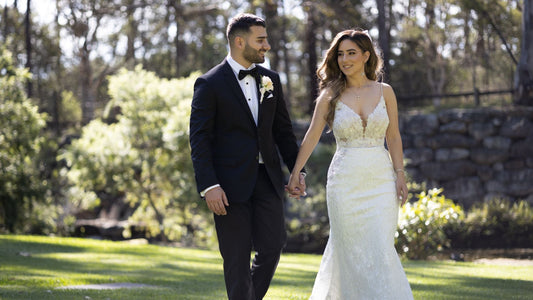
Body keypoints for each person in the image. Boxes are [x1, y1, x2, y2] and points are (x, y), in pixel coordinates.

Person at [287, 29, 413, 299]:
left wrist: (400, 174)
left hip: (381, 180)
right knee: (348, 248)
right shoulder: (330, 95)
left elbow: (393, 135)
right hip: (344, 182)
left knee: (380, 246)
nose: (345, 59)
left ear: (366, 56)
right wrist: (296, 172)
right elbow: (311, 136)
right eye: (340, 54)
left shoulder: (385, 92)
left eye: (351, 53)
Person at [189, 13, 306, 300]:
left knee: (273, 246)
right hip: (227, 187)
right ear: (240, 42)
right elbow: (199, 139)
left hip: (268, 180)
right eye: (261, 40)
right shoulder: (209, 83)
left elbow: (283, 132)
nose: (267, 46)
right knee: (237, 258)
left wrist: (297, 171)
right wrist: (209, 185)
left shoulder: (271, 80)